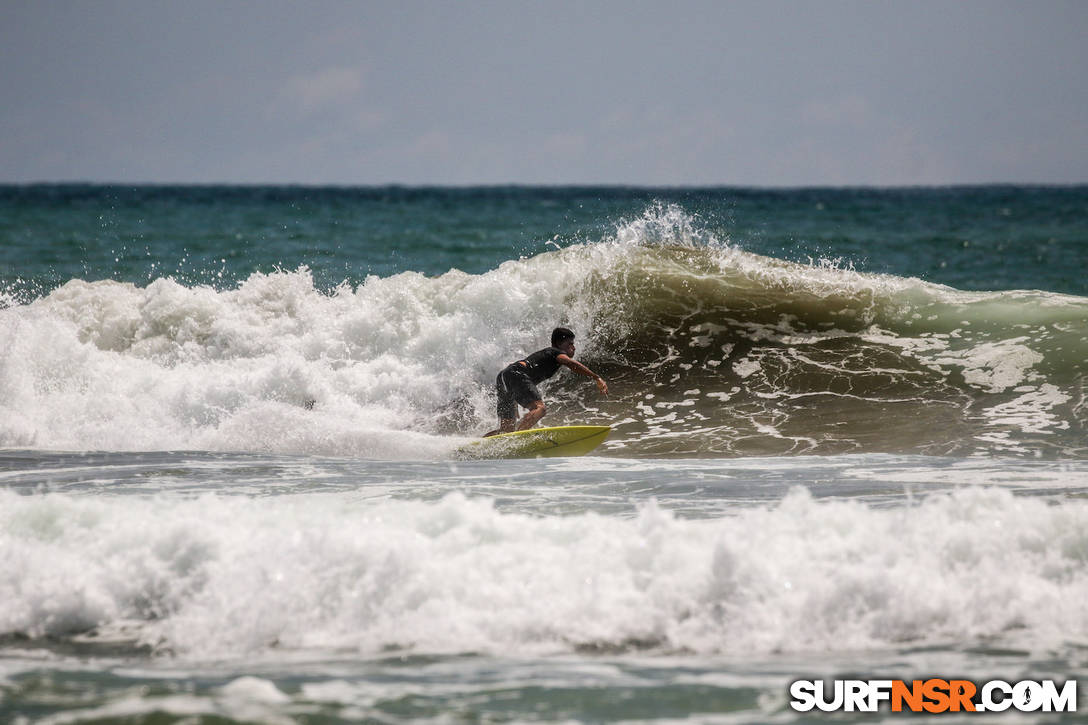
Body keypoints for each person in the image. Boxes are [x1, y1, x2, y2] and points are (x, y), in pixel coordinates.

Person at [485, 327, 608, 436]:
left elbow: (510, 371)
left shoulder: (548, 354)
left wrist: (513, 398)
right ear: (559, 344)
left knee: (506, 431)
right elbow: (571, 364)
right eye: (570, 344)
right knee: (540, 409)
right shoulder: (556, 352)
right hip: (516, 374)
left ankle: (482, 445)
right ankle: (516, 438)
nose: (573, 347)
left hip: (504, 376)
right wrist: (596, 377)